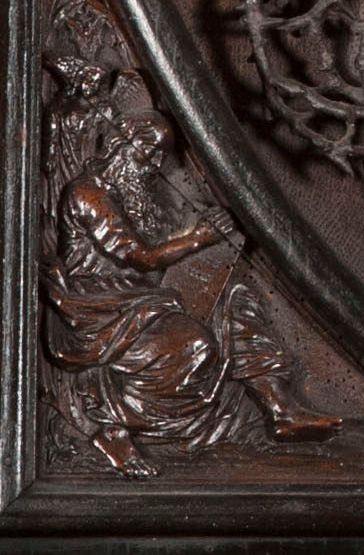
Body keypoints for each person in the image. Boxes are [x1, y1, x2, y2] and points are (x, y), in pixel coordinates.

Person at [44, 112, 337, 476]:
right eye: (148, 151)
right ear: (120, 143)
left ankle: (280, 409)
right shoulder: (88, 194)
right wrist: (197, 239)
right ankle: (114, 427)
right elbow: (140, 256)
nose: (154, 163)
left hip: (144, 297)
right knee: (194, 346)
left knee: (236, 298)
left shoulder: (138, 194)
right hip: (101, 306)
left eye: (160, 155)